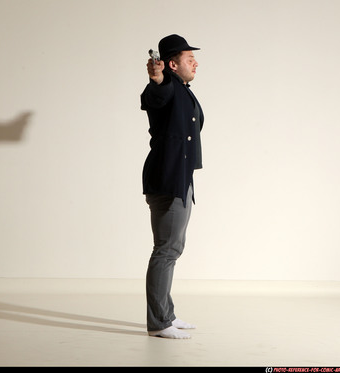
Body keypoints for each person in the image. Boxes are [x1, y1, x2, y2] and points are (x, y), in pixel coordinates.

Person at [140, 34, 204, 339]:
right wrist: (157, 78)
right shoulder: (166, 87)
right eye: (189, 57)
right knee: (165, 250)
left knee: (173, 248)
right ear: (172, 64)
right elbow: (156, 95)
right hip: (167, 180)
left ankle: (167, 313)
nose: (195, 62)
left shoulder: (182, 90)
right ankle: (159, 322)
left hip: (181, 179)